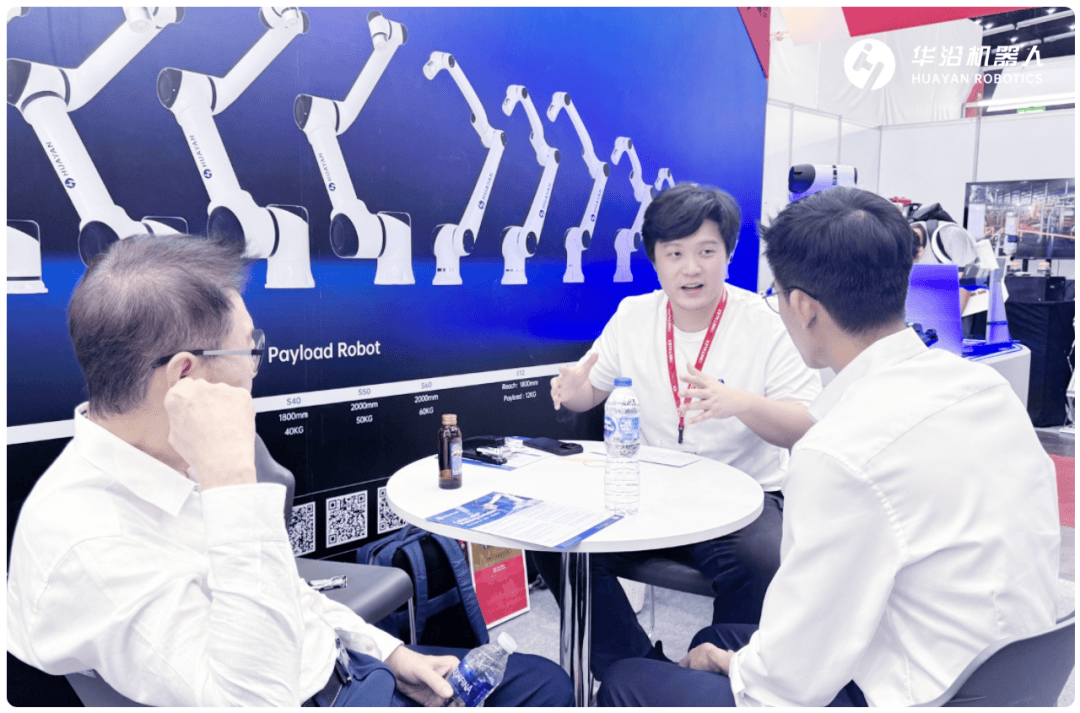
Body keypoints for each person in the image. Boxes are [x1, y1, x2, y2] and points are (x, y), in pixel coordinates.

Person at [6, 234, 573, 707]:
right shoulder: (91, 542)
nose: (256, 368)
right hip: (310, 695)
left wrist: (391, 653)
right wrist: (232, 487)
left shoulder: (171, 458)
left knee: (539, 681)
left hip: (343, 667)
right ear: (185, 378)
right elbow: (256, 700)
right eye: (248, 351)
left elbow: (284, 592)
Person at [597, 187, 1060, 706]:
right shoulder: (987, 390)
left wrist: (726, 665)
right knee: (717, 637)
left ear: (802, 306)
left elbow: (791, 679)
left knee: (627, 680)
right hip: (1009, 678)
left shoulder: (839, 451)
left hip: (910, 694)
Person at [537, 183, 822, 678]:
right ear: (655, 260)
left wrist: (739, 403)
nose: (691, 268)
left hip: (741, 499)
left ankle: (714, 677)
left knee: (765, 560)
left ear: (728, 255)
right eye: (675, 254)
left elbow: (805, 423)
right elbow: (590, 390)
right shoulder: (633, 316)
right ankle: (640, 673)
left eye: (707, 252)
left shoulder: (765, 324)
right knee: (552, 536)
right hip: (651, 489)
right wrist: (573, 389)